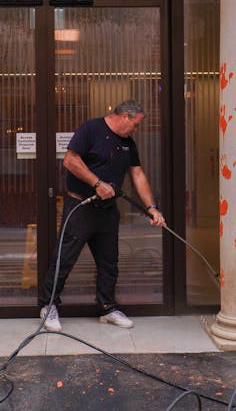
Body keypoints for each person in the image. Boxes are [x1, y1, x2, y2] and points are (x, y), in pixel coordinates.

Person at [38, 100, 165, 332]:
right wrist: (97, 183)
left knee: (109, 262)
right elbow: (70, 160)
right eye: (135, 125)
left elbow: (137, 174)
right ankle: (49, 306)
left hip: (107, 211)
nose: (136, 130)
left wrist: (152, 207)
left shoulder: (128, 143)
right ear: (125, 117)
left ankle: (107, 308)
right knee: (65, 258)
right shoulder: (91, 130)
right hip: (80, 206)